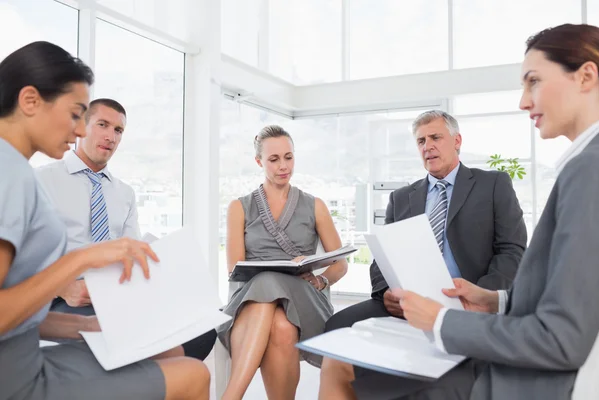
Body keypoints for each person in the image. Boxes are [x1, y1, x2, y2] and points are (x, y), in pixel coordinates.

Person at [320, 23, 599, 400]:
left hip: (517, 371)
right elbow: (562, 297)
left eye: (533, 81)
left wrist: (444, 319)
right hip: (474, 320)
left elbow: (556, 328)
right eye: (420, 141)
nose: (522, 101)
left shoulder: (584, 171)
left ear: (586, 76)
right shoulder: (583, 166)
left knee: (342, 367)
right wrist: (495, 300)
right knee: (337, 349)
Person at [0, 41, 209, 400]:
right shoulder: (14, 174)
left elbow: (18, 317)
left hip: (28, 346)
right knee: (194, 374)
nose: (81, 131)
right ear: (30, 100)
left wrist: (89, 326)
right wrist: (79, 260)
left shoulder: (12, 167)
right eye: (76, 113)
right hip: (17, 378)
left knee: (172, 351)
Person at [320, 109, 527, 391]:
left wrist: (482, 297)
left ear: (457, 141)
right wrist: (387, 293)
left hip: (466, 298)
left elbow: (512, 250)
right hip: (407, 300)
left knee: (445, 368)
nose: (427, 146)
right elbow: (382, 256)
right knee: (337, 326)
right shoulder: (401, 197)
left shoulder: (492, 184)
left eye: (435, 137)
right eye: (420, 141)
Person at [36, 98, 216, 360]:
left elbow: (131, 253)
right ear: (82, 127)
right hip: (66, 299)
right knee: (120, 338)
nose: (110, 136)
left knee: (202, 330)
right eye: (102, 125)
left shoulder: (124, 193)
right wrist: (62, 288)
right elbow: (21, 259)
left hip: (118, 295)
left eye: (118, 130)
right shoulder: (42, 181)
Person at [217, 125, 349, 400]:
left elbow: (340, 264)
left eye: (288, 157)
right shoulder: (239, 207)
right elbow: (235, 270)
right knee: (280, 323)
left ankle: (230, 396)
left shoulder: (315, 206)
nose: (283, 166)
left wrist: (320, 277)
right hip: (251, 301)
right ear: (259, 162)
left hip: (305, 298)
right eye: (274, 159)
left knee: (270, 282)